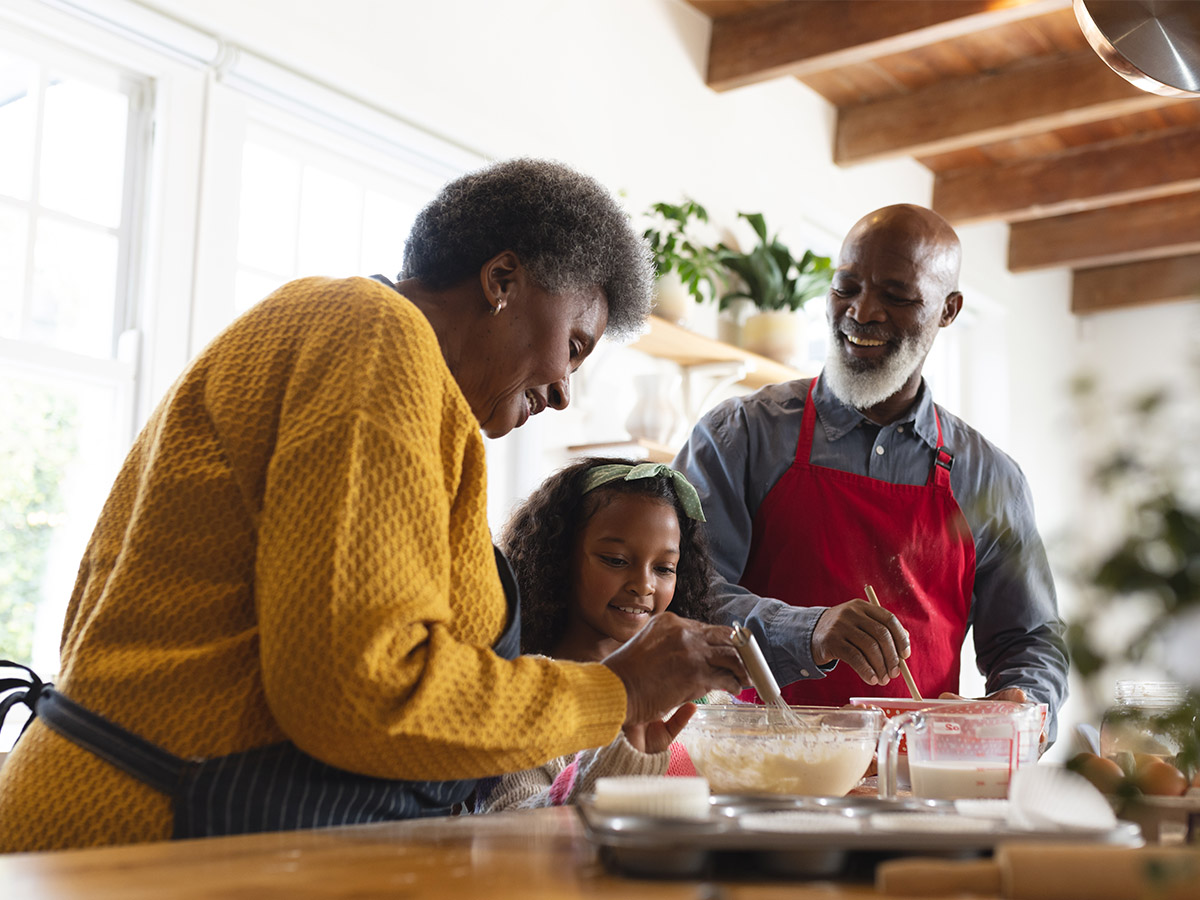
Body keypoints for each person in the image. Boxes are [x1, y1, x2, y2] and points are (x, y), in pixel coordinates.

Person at [0, 159, 747, 853]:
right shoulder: (375, 336)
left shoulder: (370, 354)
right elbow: (360, 689)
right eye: (575, 345)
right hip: (150, 843)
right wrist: (612, 689)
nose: (563, 389)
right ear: (502, 279)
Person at [673, 203, 1068, 739]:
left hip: (917, 781)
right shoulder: (739, 436)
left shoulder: (990, 478)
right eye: (846, 286)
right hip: (757, 766)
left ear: (948, 310)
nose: (862, 312)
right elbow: (684, 596)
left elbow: (1031, 639)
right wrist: (809, 631)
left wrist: (1023, 708)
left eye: (897, 296)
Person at [473, 458, 724, 812]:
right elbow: (508, 826)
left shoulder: (701, 702)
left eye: (664, 568)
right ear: (559, 559)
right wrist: (620, 757)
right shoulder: (523, 695)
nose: (644, 584)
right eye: (616, 560)